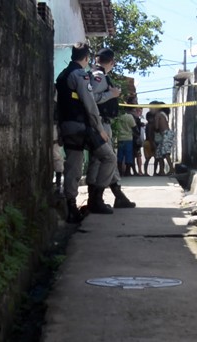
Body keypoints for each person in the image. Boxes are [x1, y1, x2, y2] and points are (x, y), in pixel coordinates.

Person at [56, 42, 116, 222]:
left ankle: (71, 207)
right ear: (86, 58)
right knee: (109, 157)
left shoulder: (62, 75)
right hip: (82, 127)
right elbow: (90, 104)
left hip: (66, 126)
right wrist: (100, 129)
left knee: (73, 166)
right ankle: (96, 199)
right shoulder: (79, 75)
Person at [88, 47, 136, 208]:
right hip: (100, 123)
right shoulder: (99, 76)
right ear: (112, 62)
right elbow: (91, 98)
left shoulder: (99, 75)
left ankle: (117, 195)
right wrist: (112, 95)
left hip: (103, 123)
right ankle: (97, 199)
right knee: (106, 159)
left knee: (106, 160)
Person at [154, 104, 175, 175]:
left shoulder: (158, 115)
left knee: (166, 152)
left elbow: (156, 127)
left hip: (165, 134)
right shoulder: (164, 114)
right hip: (166, 134)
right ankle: (161, 171)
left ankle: (171, 169)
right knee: (159, 152)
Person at [115, 110, 136, 176]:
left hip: (120, 138)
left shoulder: (117, 117)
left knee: (120, 156)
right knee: (128, 156)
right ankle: (128, 172)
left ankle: (120, 171)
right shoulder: (130, 117)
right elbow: (134, 127)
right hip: (128, 139)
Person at [130, 107, 145, 176]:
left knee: (137, 155)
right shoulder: (134, 118)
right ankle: (137, 171)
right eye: (138, 110)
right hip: (134, 139)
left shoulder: (137, 119)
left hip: (135, 139)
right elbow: (135, 129)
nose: (140, 112)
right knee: (135, 155)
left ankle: (138, 171)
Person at [143, 111, 156, 176]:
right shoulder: (151, 125)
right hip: (150, 142)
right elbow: (150, 135)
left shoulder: (147, 125)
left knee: (147, 159)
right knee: (156, 158)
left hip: (146, 142)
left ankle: (145, 172)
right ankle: (154, 172)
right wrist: (152, 144)